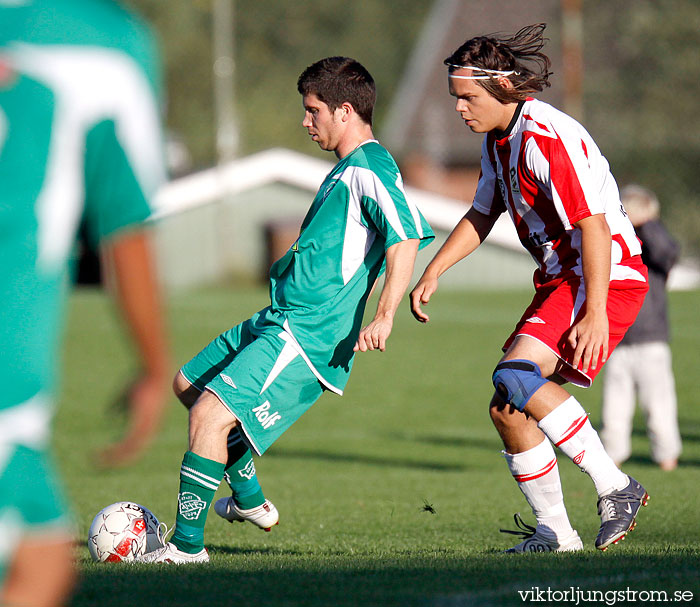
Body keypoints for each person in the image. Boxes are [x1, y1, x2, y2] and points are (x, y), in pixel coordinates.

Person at [138, 56, 434, 564]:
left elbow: (404, 237)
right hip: (278, 317)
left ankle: (187, 548)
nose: (305, 120)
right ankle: (249, 498)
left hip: (306, 334)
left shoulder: (370, 166)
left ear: (344, 111)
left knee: (211, 416)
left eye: (312, 109)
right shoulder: (346, 169)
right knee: (189, 385)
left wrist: (385, 314)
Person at [410, 24, 650, 553]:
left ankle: (617, 487)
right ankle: (557, 535)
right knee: (507, 408)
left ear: (502, 89)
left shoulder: (545, 138)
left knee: (515, 376)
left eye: (467, 97)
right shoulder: (500, 142)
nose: (459, 108)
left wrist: (592, 312)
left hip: (604, 276)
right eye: (455, 98)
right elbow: (481, 212)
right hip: (565, 279)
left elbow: (593, 227)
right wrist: (433, 270)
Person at [0, 0, 171, 604]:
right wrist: (154, 367)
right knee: (39, 563)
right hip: (7, 377)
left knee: (43, 543)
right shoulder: (108, 47)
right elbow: (126, 227)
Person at [601, 185, 682, 471]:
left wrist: (646, 224)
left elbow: (668, 253)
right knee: (614, 407)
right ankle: (612, 457)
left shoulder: (654, 247)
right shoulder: (619, 246)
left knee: (658, 405)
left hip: (650, 341)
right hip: (618, 339)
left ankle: (666, 457)